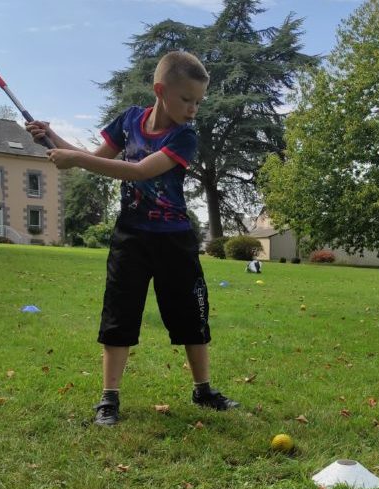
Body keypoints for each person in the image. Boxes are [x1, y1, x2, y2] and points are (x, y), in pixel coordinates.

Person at [26, 51, 239, 426]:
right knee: (119, 313)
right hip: (131, 238)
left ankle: (203, 389)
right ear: (160, 91)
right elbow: (93, 157)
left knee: (191, 315)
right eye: (186, 99)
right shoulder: (129, 121)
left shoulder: (184, 136)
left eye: (198, 102)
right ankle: (109, 399)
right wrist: (51, 137)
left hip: (174, 239)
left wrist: (75, 161)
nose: (193, 109)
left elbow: (138, 171)